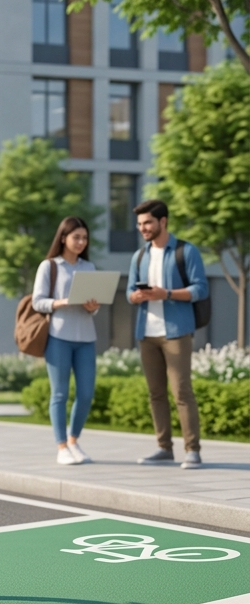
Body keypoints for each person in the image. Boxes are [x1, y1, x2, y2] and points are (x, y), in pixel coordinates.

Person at [127, 199, 208, 469]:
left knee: (181, 391)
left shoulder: (186, 251)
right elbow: (128, 292)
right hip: (146, 332)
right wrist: (137, 296)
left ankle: (192, 450)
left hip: (176, 332)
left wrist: (167, 294)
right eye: (139, 224)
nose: (143, 228)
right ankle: (164, 448)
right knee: (156, 393)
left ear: (163, 222)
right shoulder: (139, 256)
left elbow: (201, 289)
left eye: (147, 222)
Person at [30, 217, 100, 465]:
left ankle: (73, 440)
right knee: (59, 394)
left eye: (84, 237)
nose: (81, 242)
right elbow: (37, 302)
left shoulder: (89, 267)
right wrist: (62, 301)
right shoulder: (49, 266)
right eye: (76, 237)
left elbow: (93, 306)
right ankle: (61, 447)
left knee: (86, 393)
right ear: (63, 238)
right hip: (59, 336)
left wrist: (93, 307)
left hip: (86, 337)